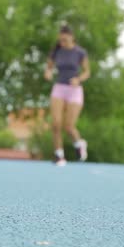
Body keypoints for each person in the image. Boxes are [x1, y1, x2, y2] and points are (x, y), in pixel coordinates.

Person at [44, 25, 90, 166]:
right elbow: (49, 67)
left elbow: (87, 72)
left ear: (72, 37)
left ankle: (79, 143)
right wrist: (48, 72)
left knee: (69, 126)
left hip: (74, 90)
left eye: (65, 39)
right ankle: (59, 155)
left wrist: (78, 79)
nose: (62, 42)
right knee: (56, 123)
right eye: (60, 39)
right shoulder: (56, 51)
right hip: (59, 88)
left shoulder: (80, 52)